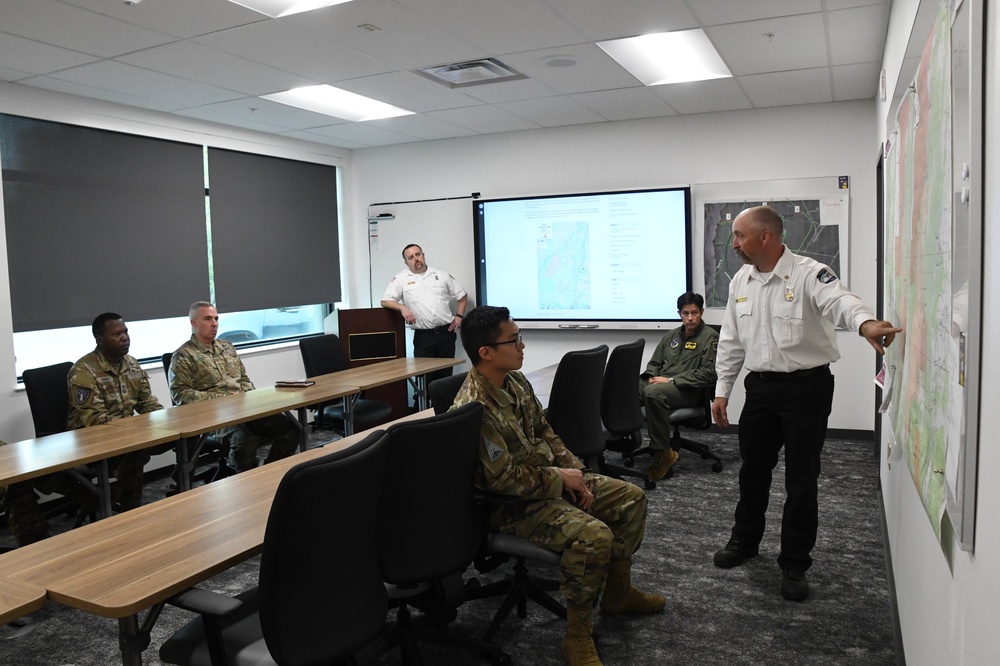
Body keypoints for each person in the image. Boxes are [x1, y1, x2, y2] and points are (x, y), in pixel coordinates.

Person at [452, 305, 664, 666]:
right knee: (594, 536)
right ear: (485, 353)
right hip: (507, 506)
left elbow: (545, 432)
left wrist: (575, 473)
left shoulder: (514, 380)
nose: (522, 345)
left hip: (545, 481)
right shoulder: (475, 407)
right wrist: (559, 479)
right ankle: (577, 636)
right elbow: (501, 480)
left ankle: (617, 593)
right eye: (514, 339)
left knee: (631, 498)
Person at [711, 206, 901, 601]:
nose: (734, 244)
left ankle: (795, 564)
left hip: (806, 389)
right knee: (753, 472)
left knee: (801, 480)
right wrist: (722, 389)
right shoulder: (739, 281)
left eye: (740, 236)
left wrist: (866, 323)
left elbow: (841, 301)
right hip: (760, 390)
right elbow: (731, 340)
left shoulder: (810, 273)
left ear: (765, 236)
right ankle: (744, 542)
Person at [1, 313, 164, 546]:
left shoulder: (132, 365)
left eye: (125, 332)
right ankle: (128, 518)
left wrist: (165, 420)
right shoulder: (83, 372)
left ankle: (119, 506)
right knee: (134, 453)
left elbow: (148, 403)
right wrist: (137, 430)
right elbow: (95, 421)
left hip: (124, 436)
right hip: (87, 441)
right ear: (99, 339)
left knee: (173, 439)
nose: (124, 338)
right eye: (117, 334)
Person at [168, 301, 299, 472]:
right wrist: (222, 399)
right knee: (244, 440)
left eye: (216, 318)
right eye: (208, 319)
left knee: (290, 428)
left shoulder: (227, 347)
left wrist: (248, 395)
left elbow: (244, 379)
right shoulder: (183, 356)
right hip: (214, 417)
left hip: (244, 409)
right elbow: (180, 395)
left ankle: (270, 475)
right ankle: (247, 485)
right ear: (194, 323)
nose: (214, 323)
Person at [639, 292, 718, 481]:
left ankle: (664, 454)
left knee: (653, 393)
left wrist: (672, 381)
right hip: (662, 385)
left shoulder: (710, 337)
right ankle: (625, 442)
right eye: (685, 313)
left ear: (702, 312)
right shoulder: (671, 336)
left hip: (688, 391)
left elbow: (709, 373)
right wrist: (651, 376)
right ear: (679, 313)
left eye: (694, 313)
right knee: (626, 387)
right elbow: (655, 363)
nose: (690, 318)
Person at [381, 244, 467, 390]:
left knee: (446, 378)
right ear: (406, 262)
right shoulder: (401, 279)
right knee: (424, 380)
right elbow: (385, 300)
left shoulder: (441, 275)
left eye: (418, 254)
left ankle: (445, 411)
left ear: (423, 255)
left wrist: (459, 316)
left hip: (446, 334)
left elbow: (462, 295)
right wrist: (402, 307)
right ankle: (424, 410)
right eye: (411, 257)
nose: (416, 259)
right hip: (424, 338)